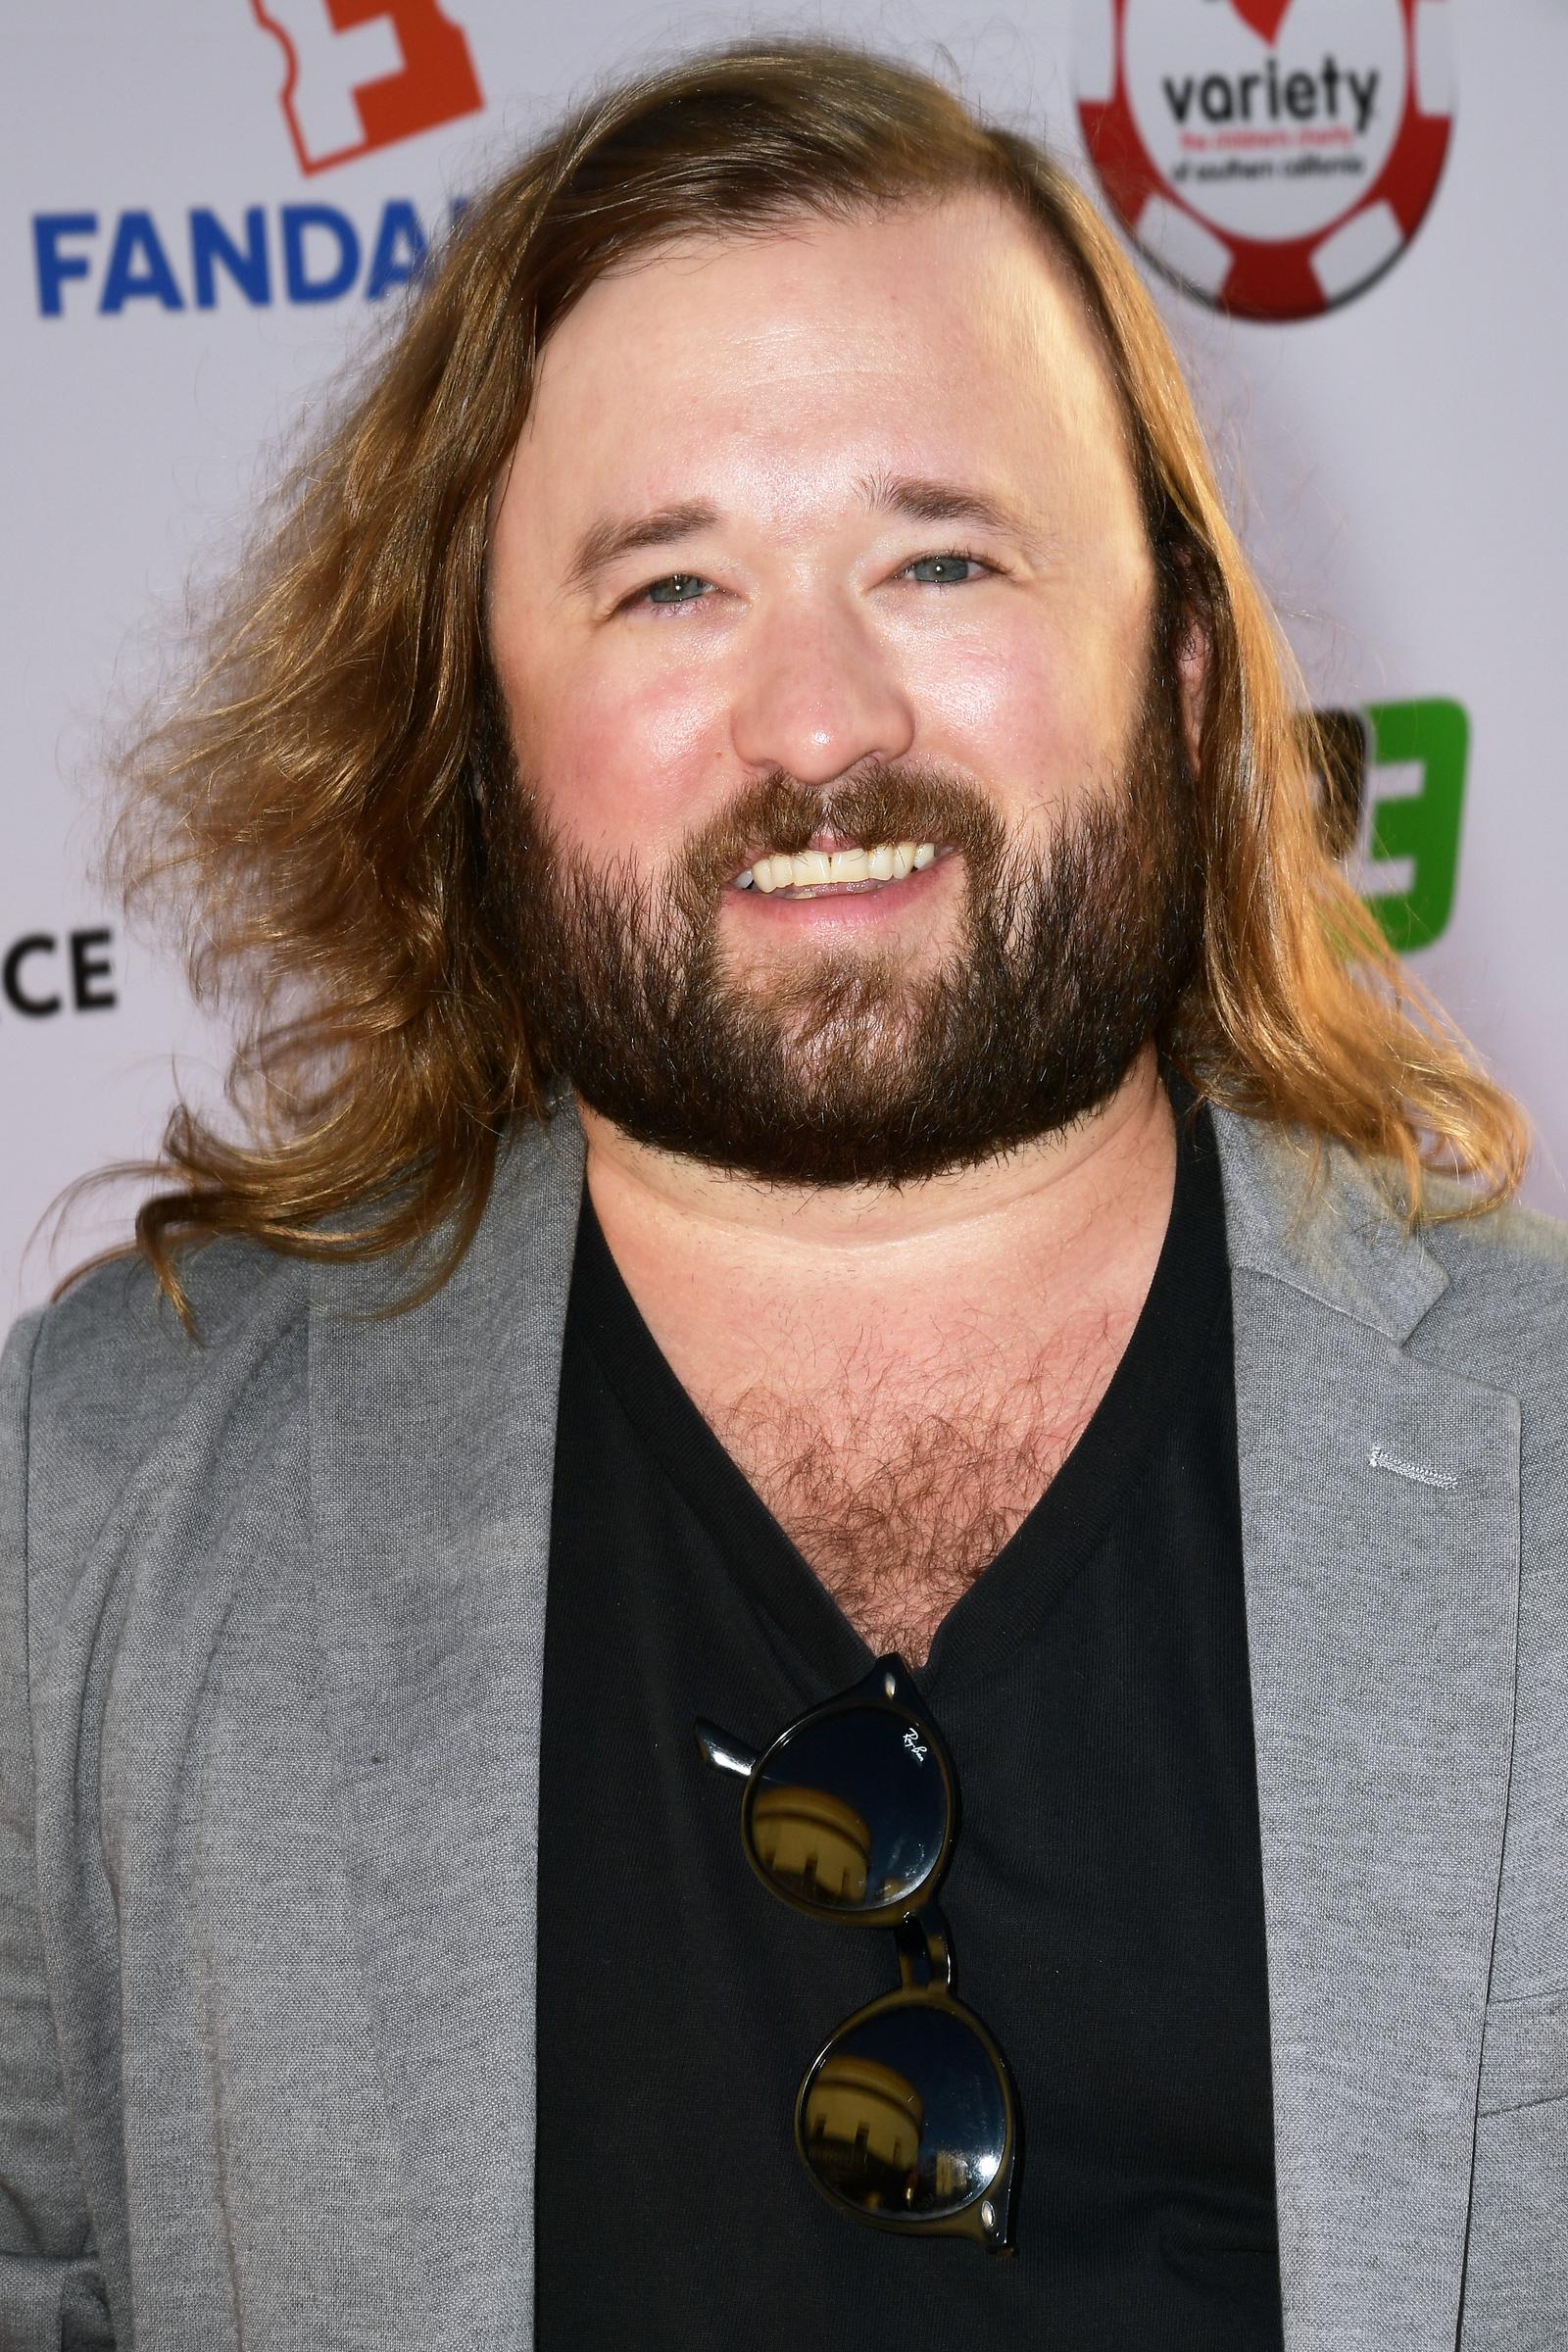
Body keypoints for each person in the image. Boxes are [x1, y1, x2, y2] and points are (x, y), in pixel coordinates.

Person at [2, 37, 1563, 2352]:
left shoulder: (1538, 1468)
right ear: (470, 738)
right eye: (668, 590)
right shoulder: (101, 1492)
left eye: (936, 555)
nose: (818, 724)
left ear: (1187, 673)